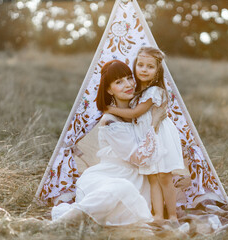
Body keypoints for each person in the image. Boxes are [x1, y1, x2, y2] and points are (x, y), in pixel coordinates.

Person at [51, 60, 166, 226]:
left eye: (129, 78)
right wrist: (154, 124)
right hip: (107, 178)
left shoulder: (141, 113)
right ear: (109, 89)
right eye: (119, 82)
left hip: (137, 183)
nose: (128, 85)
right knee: (121, 187)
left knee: (128, 194)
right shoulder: (109, 121)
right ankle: (59, 224)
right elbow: (140, 158)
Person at [106, 46, 185, 223]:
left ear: (157, 71)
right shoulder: (136, 93)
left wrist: (109, 108)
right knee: (152, 178)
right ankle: (157, 215)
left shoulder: (154, 91)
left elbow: (135, 114)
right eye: (140, 65)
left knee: (164, 176)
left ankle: (172, 215)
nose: (144, 69)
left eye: (150, 66)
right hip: (146, 139)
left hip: (159, 137)